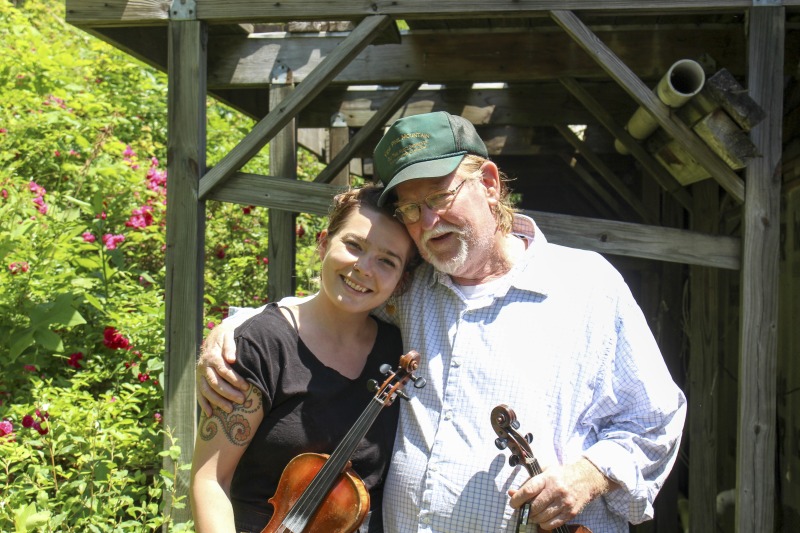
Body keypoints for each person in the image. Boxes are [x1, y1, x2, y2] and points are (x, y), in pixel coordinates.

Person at [197, 111, 687, 532]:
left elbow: (655, 420)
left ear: (490, 184)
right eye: (411, 209)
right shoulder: (413, 288)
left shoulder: (587, 285)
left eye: (438, 197)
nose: (428, 222)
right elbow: (335, 302)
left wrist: (589, 474)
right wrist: (241, 328)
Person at [190, 185, 418, 533]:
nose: (364, 267)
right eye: (354, 245)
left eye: (387, 261)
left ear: (401, 282)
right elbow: (211, 480)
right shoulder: (260, 345)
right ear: (324, 243)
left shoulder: (397, 351)